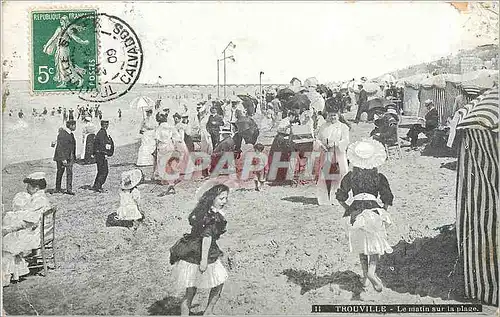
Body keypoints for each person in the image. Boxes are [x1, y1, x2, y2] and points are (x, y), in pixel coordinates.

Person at [335, 139, 394, 292]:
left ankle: (365, 277)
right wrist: (383, 210)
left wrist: (348, 208)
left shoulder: (350, 176)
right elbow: (387, 197)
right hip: (373, 209)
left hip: (355, 210)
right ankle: (371, 272)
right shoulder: (379, 177)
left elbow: (341, 197)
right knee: (374, 245)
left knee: (361, 246)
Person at [169, 181, 230, 315]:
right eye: (221, 198)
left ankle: (200, 312)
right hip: (201, 251)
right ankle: (206, 312)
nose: (224, 201)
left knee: (192, 287)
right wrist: (203, 260)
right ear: (212, 198)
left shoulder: (204, 211)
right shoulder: (211, 216)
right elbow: (207, 237)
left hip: (194, 248)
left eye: (226, 198)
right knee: (215, 283)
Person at [2, 172, 52, 285]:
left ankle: (9, 275)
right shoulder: (40, 197)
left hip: (36, 236)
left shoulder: (38, 200)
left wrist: (9, 228)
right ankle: (17, 270)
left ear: (36, 187)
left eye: (28, 185)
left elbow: (28, 221)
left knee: (8, 240)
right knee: (11, 235)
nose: (26, 188)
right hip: (41, 232)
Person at [42, 15, 89, 88]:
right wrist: (46, 47)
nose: (61, 22)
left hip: (64, 50)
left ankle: (79, 79)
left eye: (62, 21)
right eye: (60, 21)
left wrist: (83, 42)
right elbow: (52, 38)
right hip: (59, 50)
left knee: (66, 65)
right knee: (61, 66)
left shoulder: (68, 30)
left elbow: (76, 38)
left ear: (65, 21)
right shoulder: (59, 29)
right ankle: (64, 82)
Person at [315, 111, 350, 205]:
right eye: (330, 115)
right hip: (326, 153)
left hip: (338, 154)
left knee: (338, 174)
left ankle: (337, 197)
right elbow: (318, 139)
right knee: (326, 175)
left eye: (334, 115)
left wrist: (335, 144)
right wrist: (321, 145)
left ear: (338, 115)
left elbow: (346, 140)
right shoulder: (323, 126)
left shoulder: (343, 127)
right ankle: (324, 198)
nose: (332, 117)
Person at [53, 120, 77, 195]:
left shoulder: (70, 134)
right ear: (70, 126)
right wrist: (63, 159)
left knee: (68, 172)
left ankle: (68, 189)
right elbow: (59, 147)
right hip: (62, 157)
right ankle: (58, 188)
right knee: (60, 172)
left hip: (69, 157)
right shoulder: (63, 134)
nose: (75, 127)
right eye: (74, 125)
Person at [92, 120, 114, 192]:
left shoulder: (101, 132)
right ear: (103, 125)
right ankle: (98, 186)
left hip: (99, 154)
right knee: (104, 171)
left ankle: (96, 185)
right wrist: (105, 153)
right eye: (106, 124)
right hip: (101, 154)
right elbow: (102, 144)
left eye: (107, 124)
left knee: (101, 170)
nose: (107, 126)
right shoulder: (102, 133)